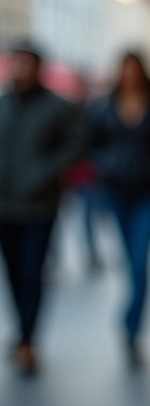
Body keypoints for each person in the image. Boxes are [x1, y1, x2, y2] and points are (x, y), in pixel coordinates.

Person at [0, 40, 88, 375]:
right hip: (5, 204)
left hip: (39, 205)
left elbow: (76, 145)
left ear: (38, 68)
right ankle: (22, 331)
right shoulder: (4, 104)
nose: (19, 69)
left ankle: (27, 339)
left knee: (32, 271)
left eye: (25, 63)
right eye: (15, 62)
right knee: (11, 273)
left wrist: (45, 172)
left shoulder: (58, 107)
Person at [87, 51, 150, 365]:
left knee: (140, 262)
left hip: (149, 192)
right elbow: (90, 143)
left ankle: (132, 328)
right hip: (116, 191)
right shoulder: (104, 106)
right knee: (129, 261)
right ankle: (132, 321)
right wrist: (104, 168)